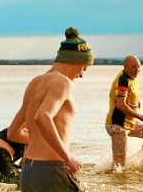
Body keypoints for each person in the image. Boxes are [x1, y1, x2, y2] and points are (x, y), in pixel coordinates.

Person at [8, 27, 93, 192]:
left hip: (29, 172)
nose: (82, 75)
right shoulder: (63, 82)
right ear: (75, 60)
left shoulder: (35, 83)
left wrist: (40, 142)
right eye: (84, 68)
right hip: (52, 171)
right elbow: (43, 117)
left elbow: (13, 133)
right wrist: (67, 158)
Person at [105, 55, 143, 169]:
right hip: (117, 125)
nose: (137, 70)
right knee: (119, 165)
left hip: (129, 123)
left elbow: (127, 98)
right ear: (125, 67)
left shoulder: (131, 79)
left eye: (138, 67)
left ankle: (141, 165)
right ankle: (113, 181)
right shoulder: (122, 80)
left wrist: (135, 103)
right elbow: (121, 105)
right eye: (133, 67)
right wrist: (140, 116)